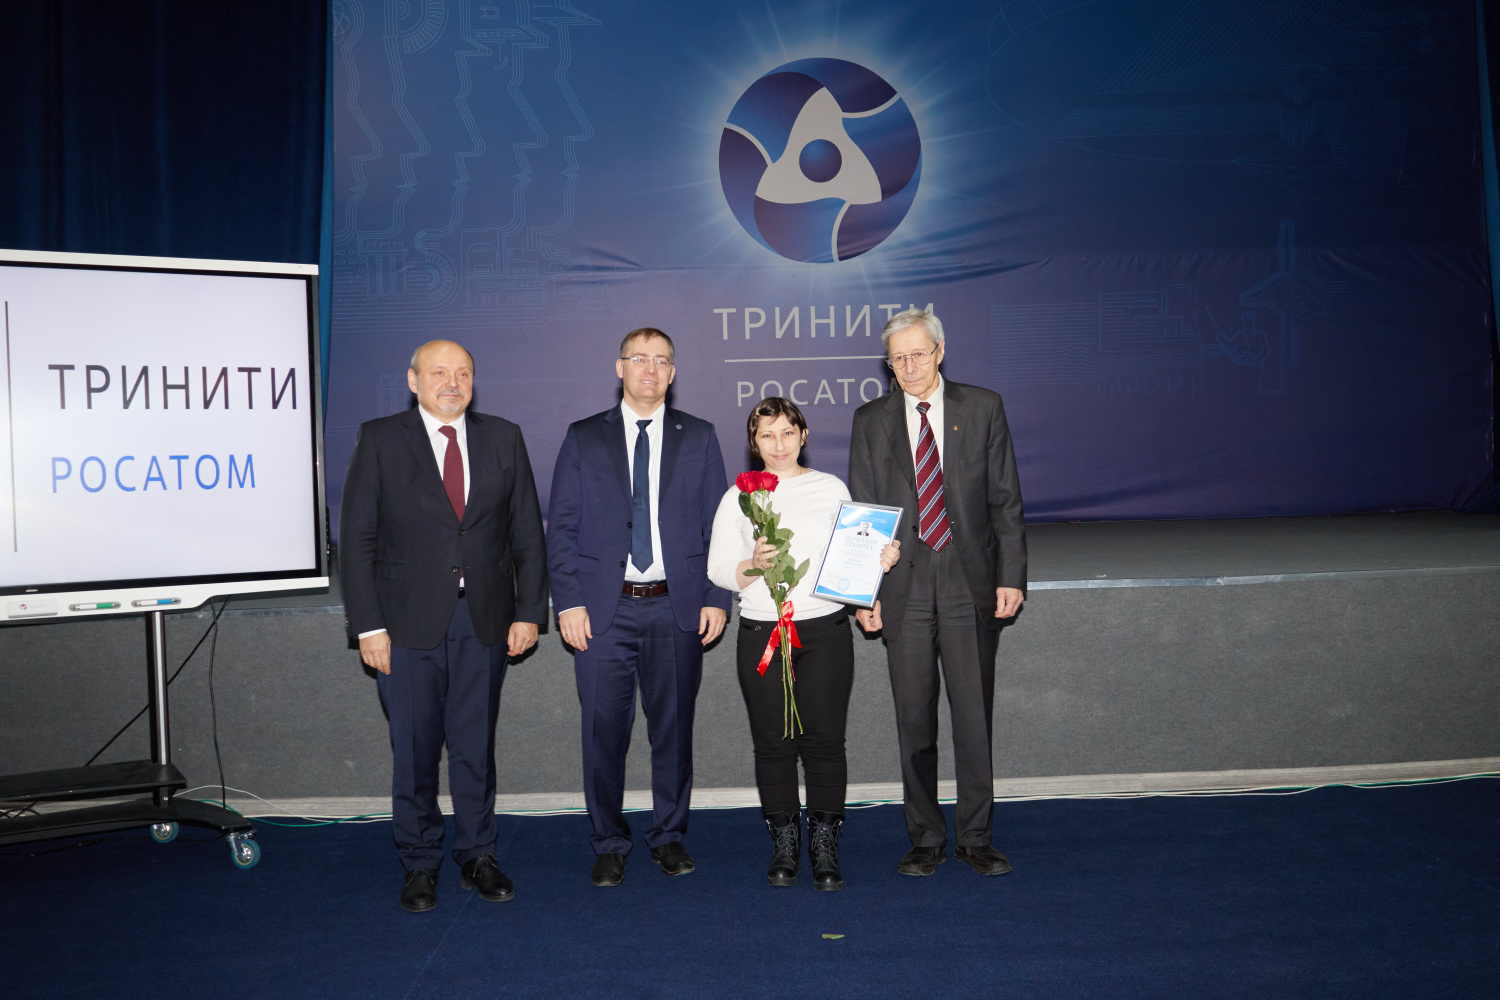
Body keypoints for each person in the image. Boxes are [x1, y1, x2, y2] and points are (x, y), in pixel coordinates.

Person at [340, 340, 549, 912]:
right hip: (404, 626)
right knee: (414, 750)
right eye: (438, 373)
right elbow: (356, 541)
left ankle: (478, 853)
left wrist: (529, 611)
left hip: (484, 620)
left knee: (475, 747)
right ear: (413, 380)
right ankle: (419, 861)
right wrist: (368, 627)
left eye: (463, 373)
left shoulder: (503, 437)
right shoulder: (381, 439)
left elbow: (526, 532)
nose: (452, 383)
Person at [546, 328, 730, 887]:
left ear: (673, 372)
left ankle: (669, 835)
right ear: (619, 367)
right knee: (602, 732)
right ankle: (608, 841)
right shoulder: (584, 437)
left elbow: (718, 526)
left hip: (676, 607)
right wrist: (568, 602)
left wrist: (716, 596)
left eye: (661, 361)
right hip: (604, 612)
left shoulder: (700, 435)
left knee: (673, 731)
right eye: (639, 359)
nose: (650, 369)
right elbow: (563, 526)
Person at [848, 309, 1027, 877]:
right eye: (897, 358)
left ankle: (975, 837)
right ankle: (925, 837)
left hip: (968, 580)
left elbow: (1005, 501)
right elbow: (864, 514)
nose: (909, 366)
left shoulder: (984, 407)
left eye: (918, 354)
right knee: (913, 721)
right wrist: (864, 593)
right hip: (902, 584)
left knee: (973, 720)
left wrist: (1011, 576)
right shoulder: (869, 420)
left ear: (940, 352)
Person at [707, 397, 899, 891]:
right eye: (767, 435)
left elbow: (851, 555)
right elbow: (717, 570)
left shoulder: (831, 488)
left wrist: (876, 566)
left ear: (804, 436)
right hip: (762, 632)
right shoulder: (738, 497)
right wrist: (753, 565)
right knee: (773, 743)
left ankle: (824, 842)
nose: (779, 445)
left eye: (788, 433)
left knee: (825, 742)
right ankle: (784, 842)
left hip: (825, 631)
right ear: (754, 443)